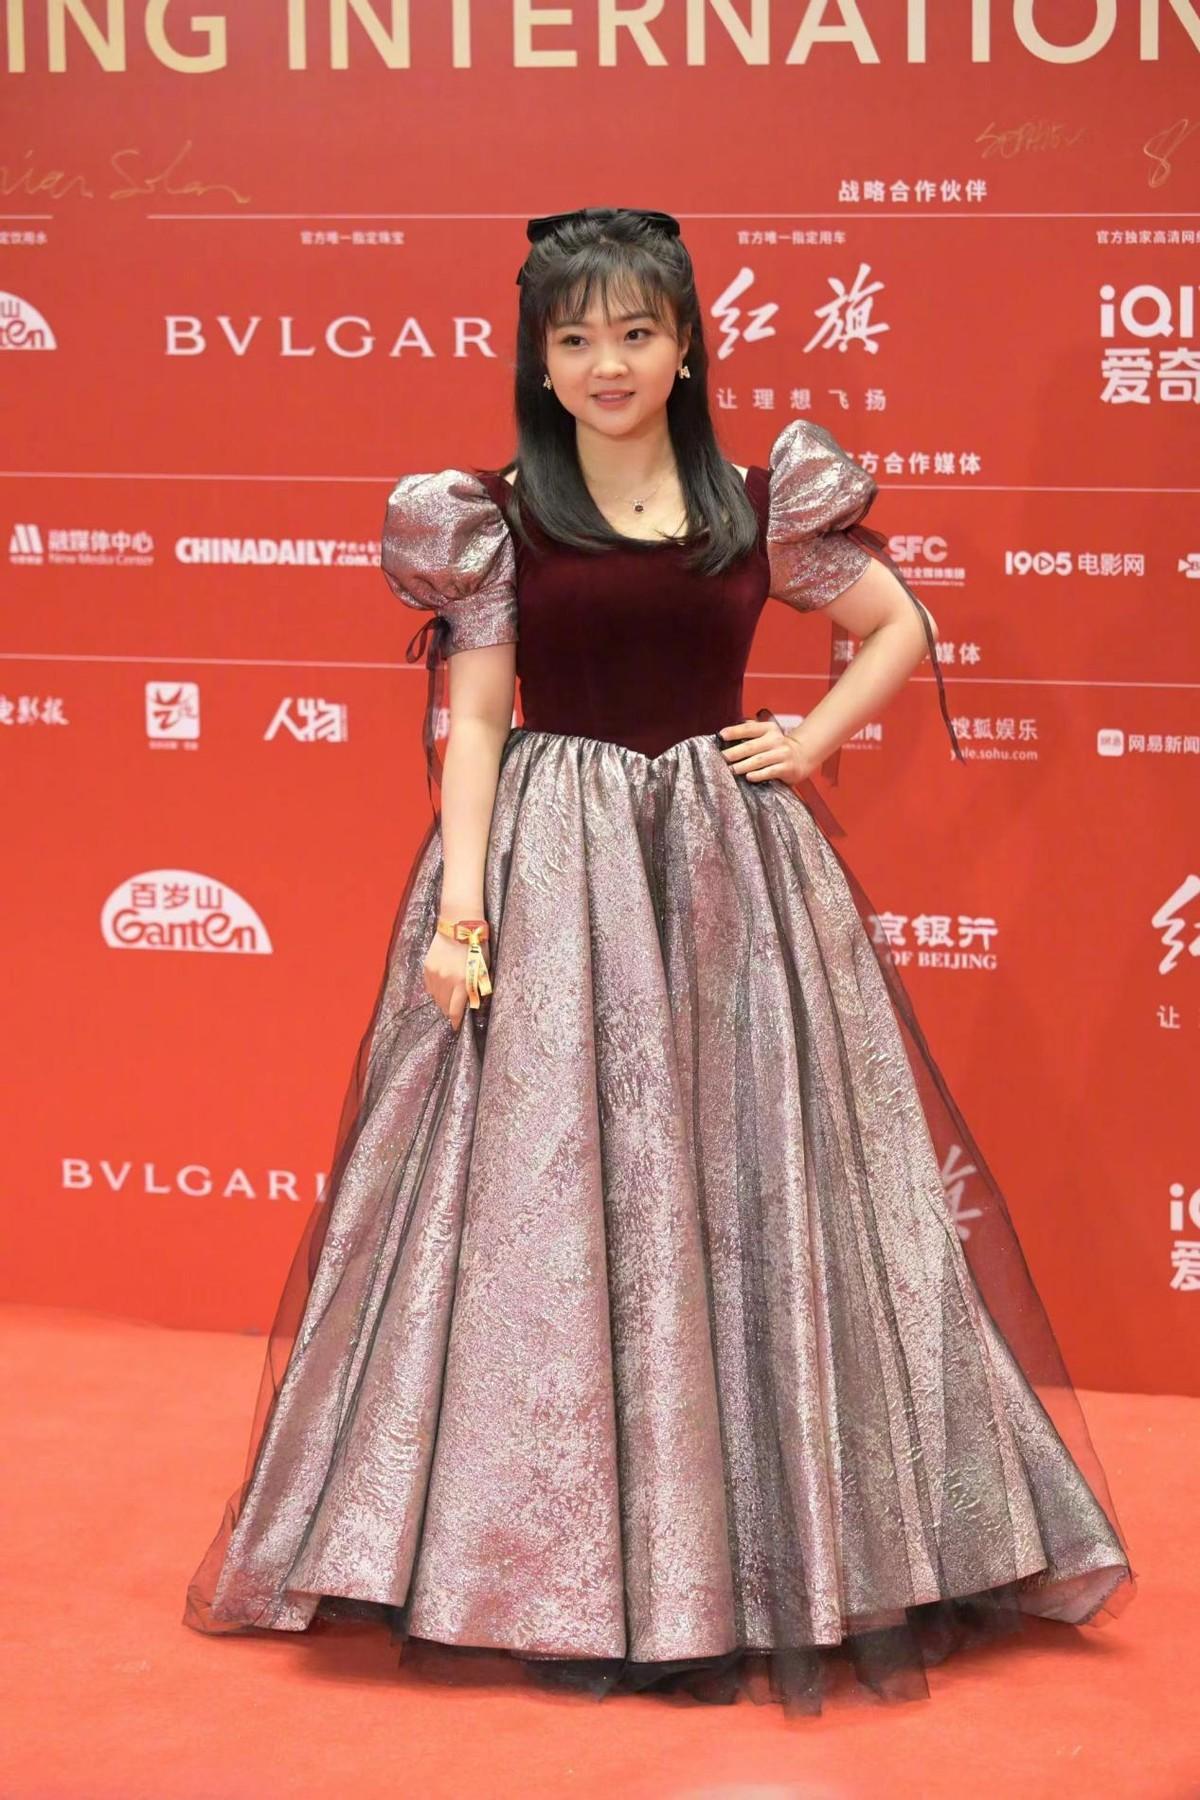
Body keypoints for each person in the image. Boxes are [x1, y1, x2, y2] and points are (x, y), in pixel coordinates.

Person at [183, 206, 1135, 1717]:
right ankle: (547, 1567)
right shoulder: (495, 517)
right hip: (554, 872)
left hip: (728, 872)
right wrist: (461, 914)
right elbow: (478, 722)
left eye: (635, 331)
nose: (606, 362)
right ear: (540, 362)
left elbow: (898, 624)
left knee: (759, 1191)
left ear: (686, 343)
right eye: (574, 339)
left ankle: (763, 1559)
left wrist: (810, 738)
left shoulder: (760, 505)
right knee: (552, 1209)